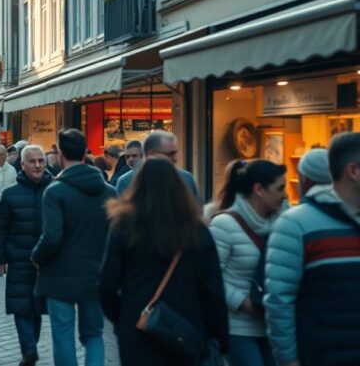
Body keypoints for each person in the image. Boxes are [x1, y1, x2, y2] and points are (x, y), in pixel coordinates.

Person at [99, 158, 229, 365]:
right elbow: (213, 289)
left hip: (138, 329)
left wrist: (122, 317)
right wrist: (218, 336)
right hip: (187, 328)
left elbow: (107, 285)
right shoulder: (197, 231)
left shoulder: (124, 227)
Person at [265, 132, 360, 366]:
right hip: (321, 356)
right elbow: (279, 301)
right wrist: (288, 360)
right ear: (353, 171)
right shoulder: (295, 225)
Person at [32, 129, 116, 366]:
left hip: (61, 277)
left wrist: (36, 257)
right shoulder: (109, 192)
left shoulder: (56, 192)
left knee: (62, 335)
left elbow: (52, 238)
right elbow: (117, 235)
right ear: (84, 151)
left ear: (60, 153)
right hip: (96, 275)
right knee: (94, 335)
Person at [209, 159, 285, 366]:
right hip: (238, 328)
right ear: (259, 189)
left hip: (272, 326)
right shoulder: (223, 225)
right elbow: (212, 277)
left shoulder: (282, 224)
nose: (285, 194)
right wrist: (243, 302)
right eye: (280, 188)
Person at [0, 144, 53, 366]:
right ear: (23, 164)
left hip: (47, 262)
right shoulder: (10, 195)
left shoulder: (54, 190)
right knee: (22, 307)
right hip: (19, 259)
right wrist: (0, 259)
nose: (38, 165)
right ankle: (29, 348)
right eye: (33, 161)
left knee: (37, 308)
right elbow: (1, 229)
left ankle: (31, 348)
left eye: (41, 161)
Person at [116, 131, 199, 200]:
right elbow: (122, 216)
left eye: (175, 153)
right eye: (170, 154)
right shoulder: (126, 181)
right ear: (152, 154)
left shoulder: (186, 178)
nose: (175, 159)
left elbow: (196, 213)